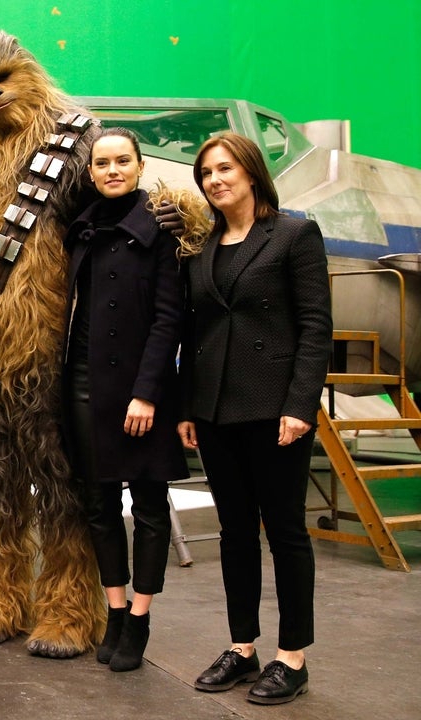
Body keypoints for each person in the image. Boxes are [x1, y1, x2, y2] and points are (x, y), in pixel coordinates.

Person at [178, 132, 332, 705]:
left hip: (274, 410)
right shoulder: (202, 246)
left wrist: (300, 406)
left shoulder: (294, 233)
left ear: (250, 172)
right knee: (235, 532)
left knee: (287, 532)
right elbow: (195, 334)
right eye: (206, 173)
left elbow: (316, 328)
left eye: (224, 169)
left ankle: (292, 657)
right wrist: (189, 408)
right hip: (216, 409)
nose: (215, 180)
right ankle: (243, 647)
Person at [62, 127, 187, 672]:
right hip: (83, 385)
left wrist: (147, 394)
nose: (112, 170)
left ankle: (140, 615)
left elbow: (169, 319)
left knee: (150, 506)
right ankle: (114, 610)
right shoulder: (81, 230)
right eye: (102, 163)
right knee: (99, 504)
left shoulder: (159, 231)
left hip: (139, 394)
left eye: (122, 161)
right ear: (91, 173)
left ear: (139, 167)